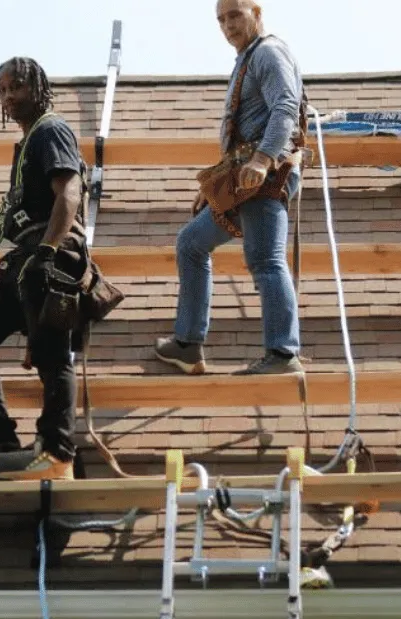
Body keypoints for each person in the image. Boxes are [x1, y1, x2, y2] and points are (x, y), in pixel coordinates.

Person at [0, 56, 89, 481]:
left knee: (51, 356)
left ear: (38, 88)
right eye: (3, 90)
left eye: (17, 88)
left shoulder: (50, 130)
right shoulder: (29, 141)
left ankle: (57, 450)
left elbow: (70, 191)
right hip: (23, 263)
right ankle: (2, 440)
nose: (9, 97)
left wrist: (47, 253)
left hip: (48, 257)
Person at [155, 0, 306, 376]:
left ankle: (283, 355)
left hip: (263, 178)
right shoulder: (247, 57)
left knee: (266, 260)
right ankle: (188, 344)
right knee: (191, 243)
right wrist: (217, 186)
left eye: (235, 15)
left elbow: (285, 108)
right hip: (243, 179)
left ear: (257, 12)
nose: (227, 25)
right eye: (221, 19)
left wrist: (262, 159)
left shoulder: (268, 52)